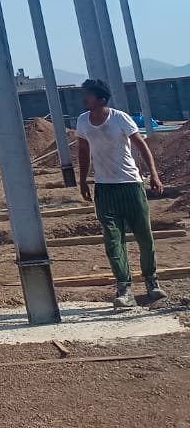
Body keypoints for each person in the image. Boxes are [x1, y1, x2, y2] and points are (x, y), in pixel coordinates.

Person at [76, 77, 166, 309]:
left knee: (144, 236)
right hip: (105, 189)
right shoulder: (83, 121)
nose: (84, 98)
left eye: (88, 94)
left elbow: (141, 145)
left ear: (100, 98)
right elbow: (83, 151)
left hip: (130, 185)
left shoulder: (120, 118)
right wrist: (83, 180)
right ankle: (124, 288)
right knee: (113, 240)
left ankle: (151, 281)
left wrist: (154, 175)